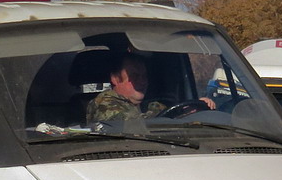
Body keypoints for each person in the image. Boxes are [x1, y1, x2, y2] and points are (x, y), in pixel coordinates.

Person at [86, 53, 214, 126]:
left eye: (144, 76)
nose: (142, 81)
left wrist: (192, 110)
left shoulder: (149, 105)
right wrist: (179, 114)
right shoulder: (104, 103)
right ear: (115, 78)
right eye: (134, 76)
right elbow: (134, 126)